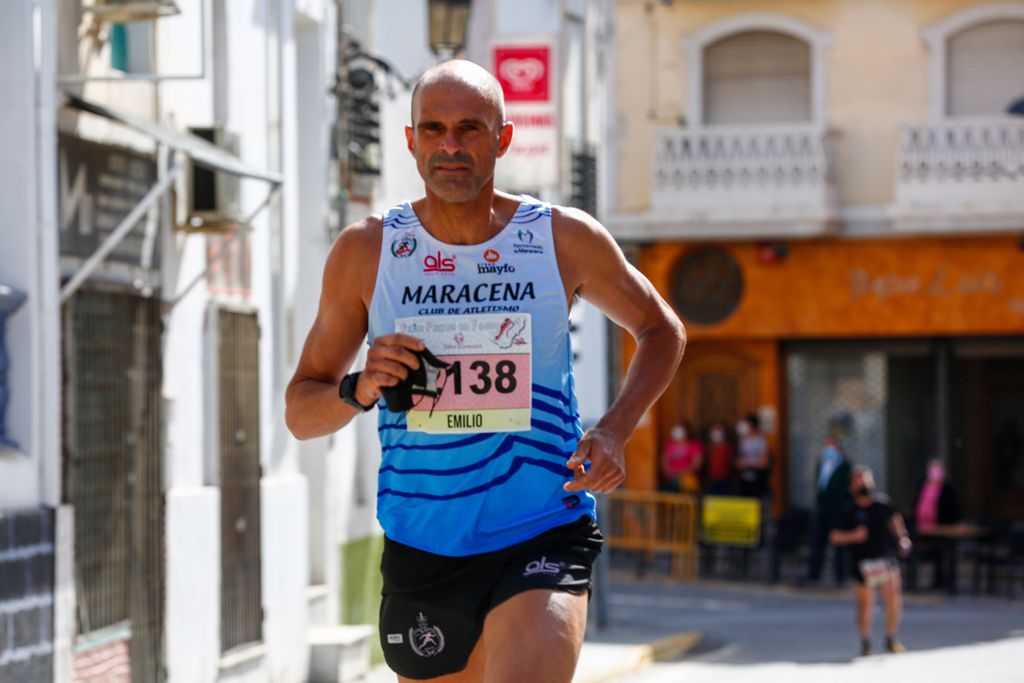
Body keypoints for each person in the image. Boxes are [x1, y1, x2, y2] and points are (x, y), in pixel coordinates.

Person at [284, 60, 686, 683]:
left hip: (542, 528)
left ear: (502, 138)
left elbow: (662, 330)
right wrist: (358, 387)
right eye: (435, 128)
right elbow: (301, 413)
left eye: (470, 127)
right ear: (411, 140)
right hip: (424, 540)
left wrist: (614, 430)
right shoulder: (368, 251)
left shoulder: (560, 238)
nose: (451, 144)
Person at [830, 466, 912, 657]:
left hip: (885, 560)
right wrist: (853, 536)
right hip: (862, 564)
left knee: (893, 597)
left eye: (866, 479)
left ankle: (891, 638)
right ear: (851, 486)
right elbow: (834, 537)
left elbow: (896, 521)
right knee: (865, 603)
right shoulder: (847, 510)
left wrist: (903, 539)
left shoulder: (882, 505)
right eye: (858, 480)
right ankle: (865, 641)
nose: (863, 483)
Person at [804, 438, 852, 585]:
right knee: (817, 541)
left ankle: (840, 575)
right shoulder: (822, 464)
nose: (829, 451)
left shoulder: (845, 466)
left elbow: (847, 490)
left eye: (832, 447)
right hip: (822, 509)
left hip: (838, 510)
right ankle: (814, 573)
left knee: (839, 543)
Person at [913, 458, 961, 588]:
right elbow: (917, 504)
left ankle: (943, 580)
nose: (934, 473)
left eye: (937, 470)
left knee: (942, 552)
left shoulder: (947, 488)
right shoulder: (923, 485)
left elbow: (954, 509)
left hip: (942, 529)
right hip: (923, 528)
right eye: (932, 470)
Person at [660, 423, 703, 493]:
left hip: (688, 478)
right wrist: (671, 473)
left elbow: (696, 464)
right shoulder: (668, 445)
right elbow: (664, 463)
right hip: (671, 478)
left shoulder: (694, 445)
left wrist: (681, 473)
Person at [735, 414, 770, 499]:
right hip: (743, 480)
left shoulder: (760, 441)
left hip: (757, 481)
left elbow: (764, 463)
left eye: (746, 424)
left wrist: (749, 464)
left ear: (752, 426)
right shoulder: (742, 441)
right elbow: (739, 459)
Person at [704, 422, 733, 495]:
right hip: (711, 478)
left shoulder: (728, 446)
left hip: (725, 478)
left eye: (719, 431)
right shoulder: (708, 446)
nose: (717, 434)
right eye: (714, 431)